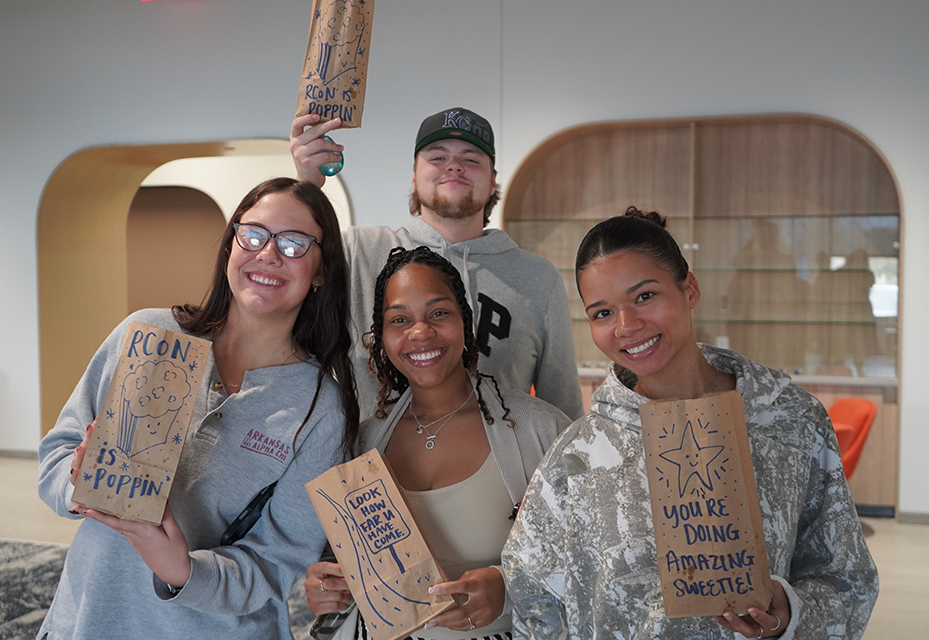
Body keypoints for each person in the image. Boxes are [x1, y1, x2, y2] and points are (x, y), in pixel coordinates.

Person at [501, 208, 879, 639]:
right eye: (602, 313)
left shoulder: (790, 422)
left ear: (690, 289)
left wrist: (789, 615)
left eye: (644, 296)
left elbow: (846, 579)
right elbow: (534, 596)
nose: (626, 326)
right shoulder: (579, 456)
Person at [37, 178, 360, 639]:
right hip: (90, 619)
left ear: (322, 270)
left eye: (294, 243)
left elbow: (276, 562)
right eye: (254, 234)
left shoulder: (319, 409)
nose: (269, 254)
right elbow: (56, 452)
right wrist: (79, 479)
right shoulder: (147, 334)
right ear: (231, 244)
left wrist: (182, 569)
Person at [305, 246, 571, 640]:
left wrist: (508, 586)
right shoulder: (363, 444)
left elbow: (589, 558)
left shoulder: (541, 432)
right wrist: (325, 586)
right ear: (382, 337)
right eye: (400, 319)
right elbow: (343, 562)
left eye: (438, 313)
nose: (420, 332)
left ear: (465, 321)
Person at [290, 107, 584, 421]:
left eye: (471, 158)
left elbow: (563, 411)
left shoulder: (538, 278)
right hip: (372, 464)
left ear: (493, 180)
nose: (454, 166)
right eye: (437, 157)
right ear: (414, 175)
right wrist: (307, 187)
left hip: (503, 468)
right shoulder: (357, 251)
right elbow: (282, 279)